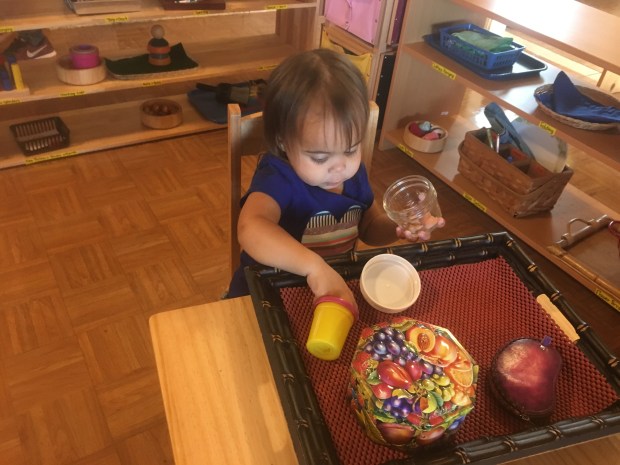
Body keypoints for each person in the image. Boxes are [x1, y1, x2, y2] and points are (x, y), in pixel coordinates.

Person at [227, 48, 445, 305]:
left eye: (351, 150)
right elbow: (250, 227)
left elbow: (369, 228)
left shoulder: (353, 175)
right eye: (320, 158)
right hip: (266, 294)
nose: (340, 167)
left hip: (331, 293)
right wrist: (314, 267)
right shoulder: (278, 176)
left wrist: (401, 224)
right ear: (283, 141)